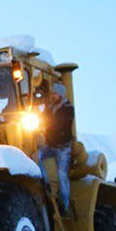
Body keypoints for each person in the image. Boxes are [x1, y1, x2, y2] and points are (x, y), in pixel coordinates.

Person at [35, 83, 75, 212]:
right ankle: (45, 183)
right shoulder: (49, 108)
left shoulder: (67, 108)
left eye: (55, 94)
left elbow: (61, 124)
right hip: (51, 145)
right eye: (52, 93)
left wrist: (48, 127)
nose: (53, 96)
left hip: (63, 148)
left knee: (62, 174)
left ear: (61, 95)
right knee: (37, 156)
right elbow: (42, 119)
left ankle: (65, 204)